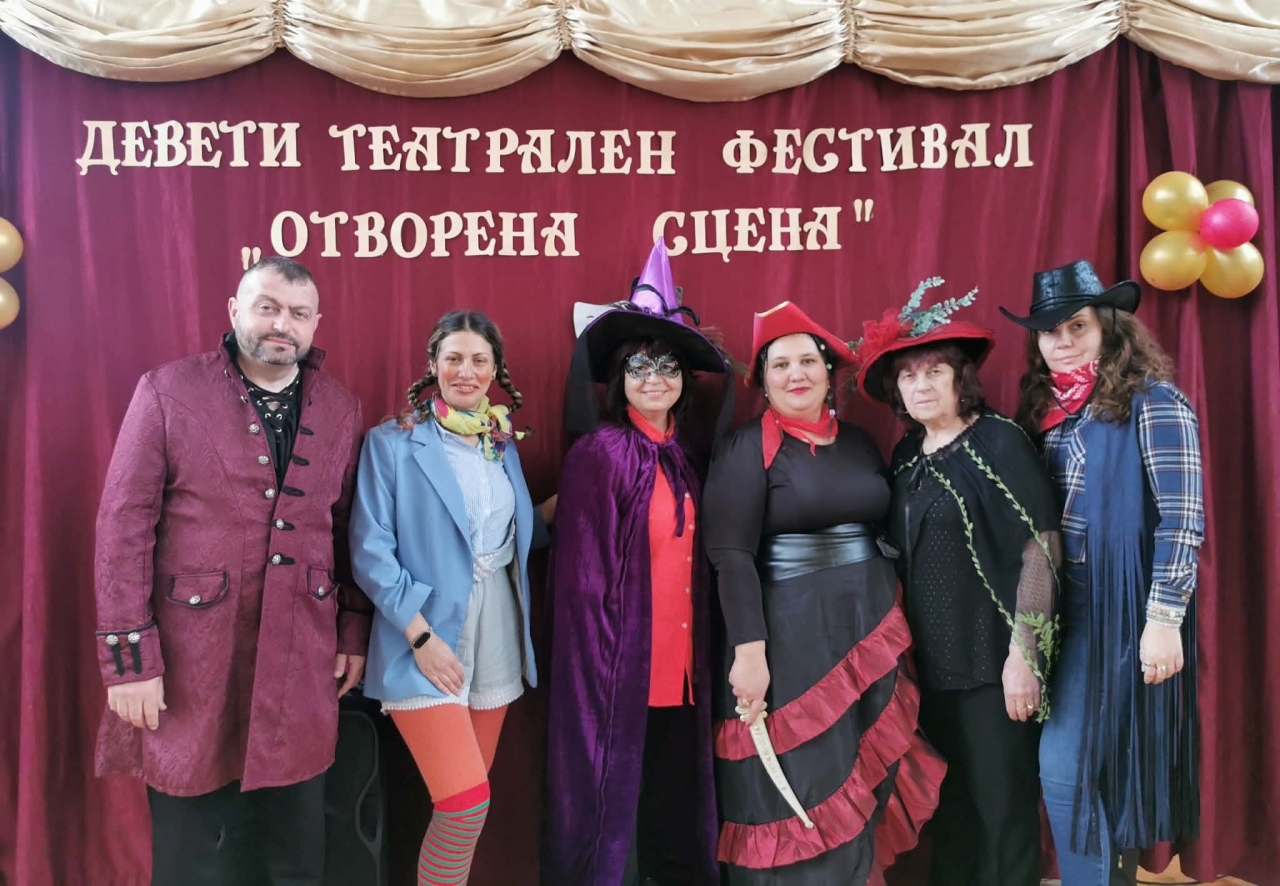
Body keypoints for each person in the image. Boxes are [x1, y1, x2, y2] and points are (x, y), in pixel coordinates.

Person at [93, 256, 371, 885]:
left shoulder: (340, 407)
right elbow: (122, 528)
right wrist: (130, 663)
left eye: (298, 313)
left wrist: (352, 631)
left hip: (302, 659)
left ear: (316, 323)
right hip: (191, 662)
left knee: (293, 854)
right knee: (193, 858)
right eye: (267, 307)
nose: (282, 324)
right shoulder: (167, 391)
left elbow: (347, 528)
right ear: (235, 311)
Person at [703, 301, 944, 886]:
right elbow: (731, 557)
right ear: (763, 381)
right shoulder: (744, 448)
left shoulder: (859, 442)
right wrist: (750, 653)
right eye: (781, 365)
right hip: (792, 638)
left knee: (861, 772)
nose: (797, 374)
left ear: (828, 371)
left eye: (807, 361)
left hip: (868, 628)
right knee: (805, 776)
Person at [1001, 260, 1202, 886]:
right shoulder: (1045, 414)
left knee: (1073, 770)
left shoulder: (1155, 403)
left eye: (1077, 326)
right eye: (1049, 331)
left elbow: (1183, 519)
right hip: (1055, 604)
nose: (1062, 341)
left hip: (1119, 608)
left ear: (1109, 329)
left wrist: (1164, 619)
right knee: (1085, 774)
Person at [853, 279, 1061, 886]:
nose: (920, 385)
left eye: (934, 372)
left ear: (960, 379)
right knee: (953, 814)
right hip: (929, 668)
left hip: (994, 664)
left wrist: (1026, 656)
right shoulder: (906, 456)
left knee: (1003, 810)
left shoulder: (999, 441)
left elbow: (1042, 549)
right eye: (908, 376)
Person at [545, 239, 733, 886]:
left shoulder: (691, 457)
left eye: (669, 365)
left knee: (675, 810)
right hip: (618, 672)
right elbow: (579, 587)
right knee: (613, 816)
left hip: (685, 669)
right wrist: (604, 672)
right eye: (640, 365)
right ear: (620, 378)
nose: (656, 377)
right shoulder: (598, 455)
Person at [349, 310, 553, 886]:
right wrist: (421, 637)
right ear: (434, 365)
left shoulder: (500, 442)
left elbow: (512, 534)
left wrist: (577, 500)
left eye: (479, 360)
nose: (466, 371)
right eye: (454, 358)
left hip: (497, 632)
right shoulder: (392, 443)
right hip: (422, 633)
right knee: (464, 805)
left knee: (466, 808)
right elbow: (369, 551)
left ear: (495, 370)